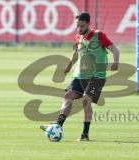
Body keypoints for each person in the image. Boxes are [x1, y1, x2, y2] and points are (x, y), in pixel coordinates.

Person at [40, 12, 119, 141]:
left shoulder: (99, 35)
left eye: (81, 26)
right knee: (68, 96)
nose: (79, 29)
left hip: (96, 76)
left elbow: (114, 49)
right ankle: (58, 125)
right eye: (77, 26)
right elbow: (76, 54)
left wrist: (116, 63)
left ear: (88, 24)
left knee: (86, 99)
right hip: (79, 75)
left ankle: (85, 134)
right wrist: (69, 66)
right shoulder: (78, 37)